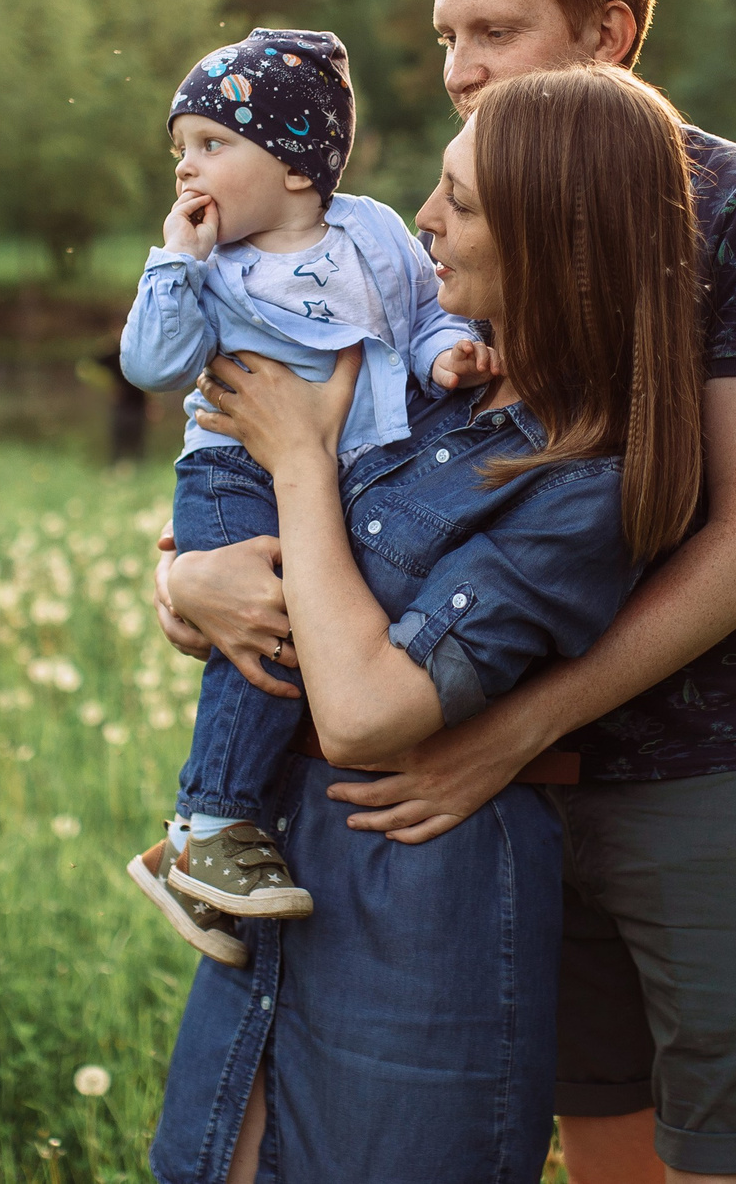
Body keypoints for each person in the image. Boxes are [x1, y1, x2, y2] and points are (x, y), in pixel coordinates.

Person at [159, 0, 736, 1184]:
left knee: (726, 1142)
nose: (462, 71)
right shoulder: (458, 231)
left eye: (499, 32)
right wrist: (184, 573)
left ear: (608, 35)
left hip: (700, 764)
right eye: (447, 39)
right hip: (497, 769)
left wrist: (517, 723)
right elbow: (335, 454)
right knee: (592, 1137)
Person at [148, 64, 706, 1184]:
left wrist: (300, 459)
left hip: (417, 903)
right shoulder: (437, 380)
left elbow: (361, 713)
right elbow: (241, 557)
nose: (422, 218)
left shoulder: (578, 489)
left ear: (554, 241)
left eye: (461, 201)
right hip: (276, 860)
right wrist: (182, 586)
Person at [118, 28, 482, 959]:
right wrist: (174, 261)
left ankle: (216, 851)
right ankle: (210, 823)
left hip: (353, 472)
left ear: (291, 165)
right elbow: (152, 366)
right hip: (233, 467)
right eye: (179, 151)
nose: (187, 171)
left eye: (211, 145)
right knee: (274, 637)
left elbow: (424, 311)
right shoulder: (207, 264)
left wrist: (447, 353)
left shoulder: (370, 230)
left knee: (326, 633)